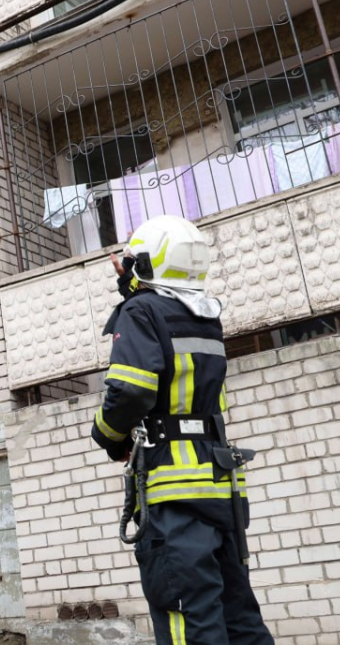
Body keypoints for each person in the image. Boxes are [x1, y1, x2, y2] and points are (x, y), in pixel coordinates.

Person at [91, 215, 274, 645]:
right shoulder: (206, 316)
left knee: (187, 621)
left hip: (175, 498)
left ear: (150, 264)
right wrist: (134, 285)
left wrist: (106, 436)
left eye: (135, 262)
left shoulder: (140, 312)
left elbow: (131, 392)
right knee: (238, 616)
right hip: (219, 486)